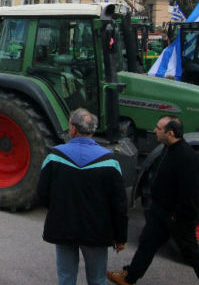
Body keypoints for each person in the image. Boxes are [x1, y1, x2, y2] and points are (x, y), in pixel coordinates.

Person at [107, 116, 199, 285]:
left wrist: (177, 217)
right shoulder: (167, 149)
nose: (155, 130)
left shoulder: (186, 158)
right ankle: (130, 277)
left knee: (191, 252)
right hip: (161, 211)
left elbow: (189, 194)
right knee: (147, 243)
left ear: (170, 133)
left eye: (159, 128)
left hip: (177, 218)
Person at [37, 108, 128, 285]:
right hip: (97, 231)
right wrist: (120, 236)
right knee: (97, 278)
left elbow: (42, 193)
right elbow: (119, 204)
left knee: (66, 276)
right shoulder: (110, 161)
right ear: (92, 131)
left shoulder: (54, 157)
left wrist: (58, 210)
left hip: (63, 226)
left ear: (73, 129)